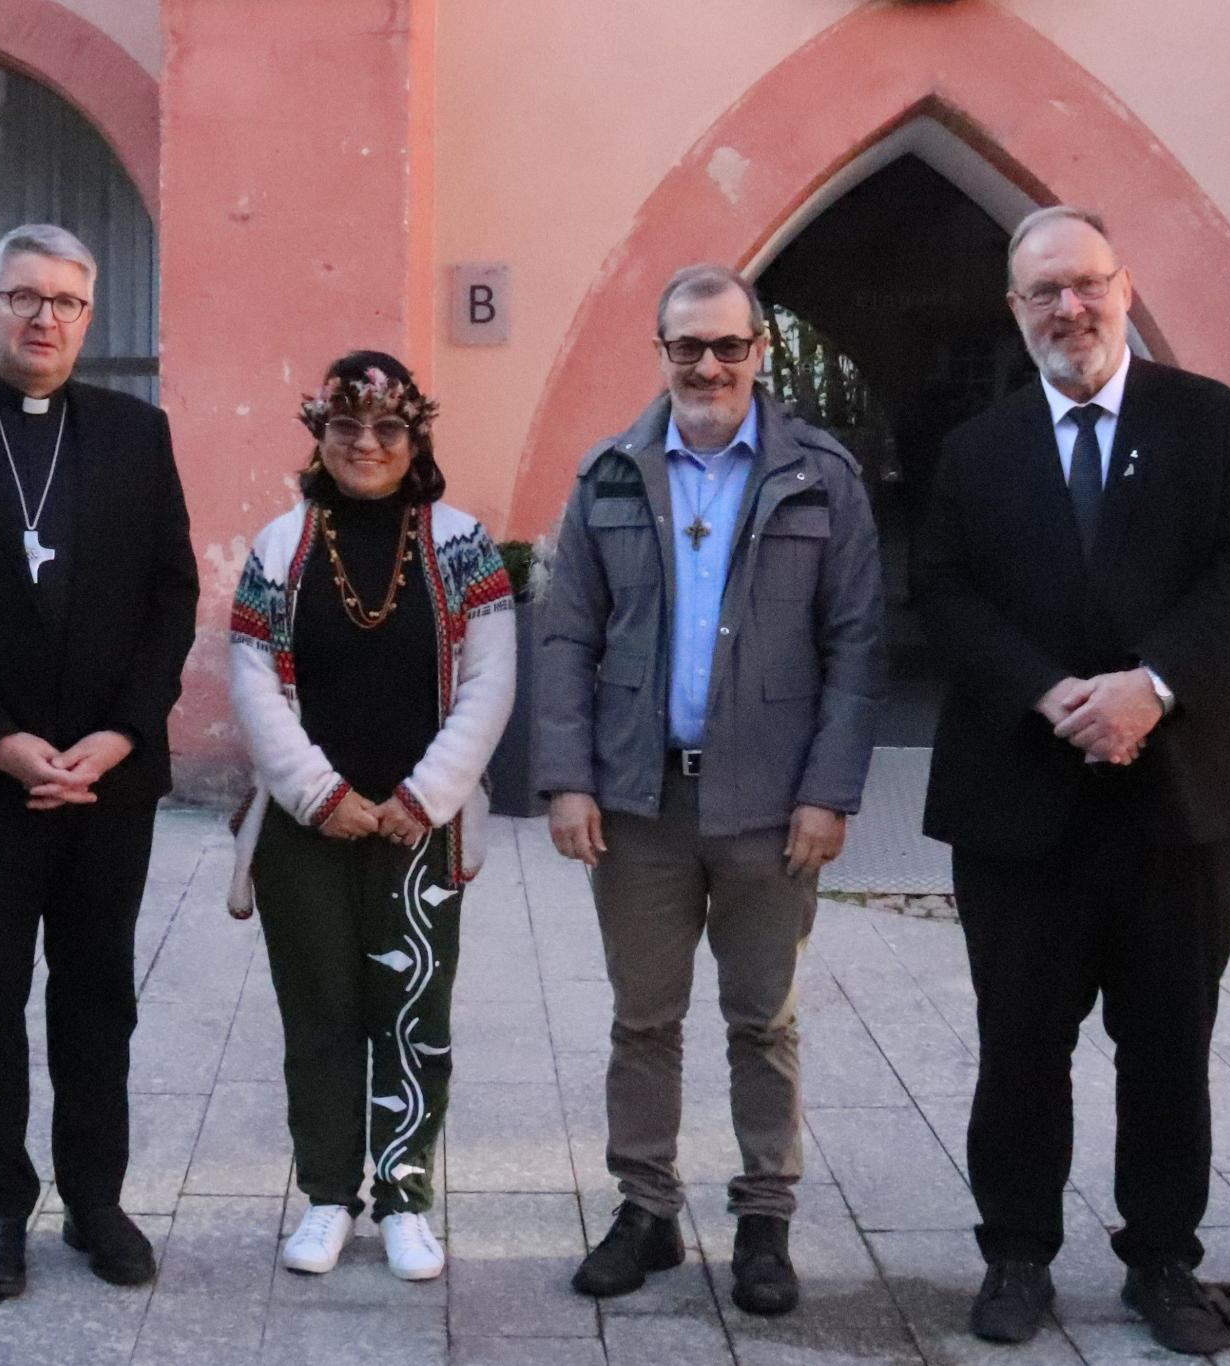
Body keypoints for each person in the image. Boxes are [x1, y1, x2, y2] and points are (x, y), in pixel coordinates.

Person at [915, 206, 1230, 1356]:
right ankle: (1015, 1256)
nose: (1065, 309)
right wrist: (1048, 692)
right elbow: (947, 592)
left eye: (1083, 284)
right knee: (1019, 1035)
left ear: (1122, 285)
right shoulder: (976, 449)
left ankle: (1162, 1262)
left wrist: (1149, 685)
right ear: (1014, 313)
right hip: (1022, 793)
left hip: (1181, 796)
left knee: (1168, 1036)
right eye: (1039, 294)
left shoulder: (1210, 420)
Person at [536, 264, 882, 1316]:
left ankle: (763, 1219)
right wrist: (563, 778)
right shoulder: (607, 473)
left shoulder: (819, 476)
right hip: (638, 803)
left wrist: (828, 791)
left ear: (757, 353)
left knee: (760, 1020)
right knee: (642, 1018)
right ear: (661, 352)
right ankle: (643, 1209)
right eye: (685, 346)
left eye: (727, 345)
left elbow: (855, 644)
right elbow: (563, 635)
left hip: (769, 805)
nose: (707, 365)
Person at [0, 223, 198, 1298]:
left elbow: (171, 596)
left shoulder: (134, 434)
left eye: (65, 302)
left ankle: (95, 1201)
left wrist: (121, 732)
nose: (44, 317)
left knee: (98, 992)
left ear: (87, 317)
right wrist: (0, 743)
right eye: (23, 298)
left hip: (109, 779)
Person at [227, 351, 515, 1282]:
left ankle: (404, 1198)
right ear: (320, 434)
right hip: (306, 831)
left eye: (387, 429)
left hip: (420, 830)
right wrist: (323, 796)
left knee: (414, 1014)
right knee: (318, 1014)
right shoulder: (279, 547)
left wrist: (421, 799)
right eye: (346, 427)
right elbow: (253, 682)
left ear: (415, 438)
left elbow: (490, 685)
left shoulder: (465, 545)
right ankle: (324, 1196)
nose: (366, 444)